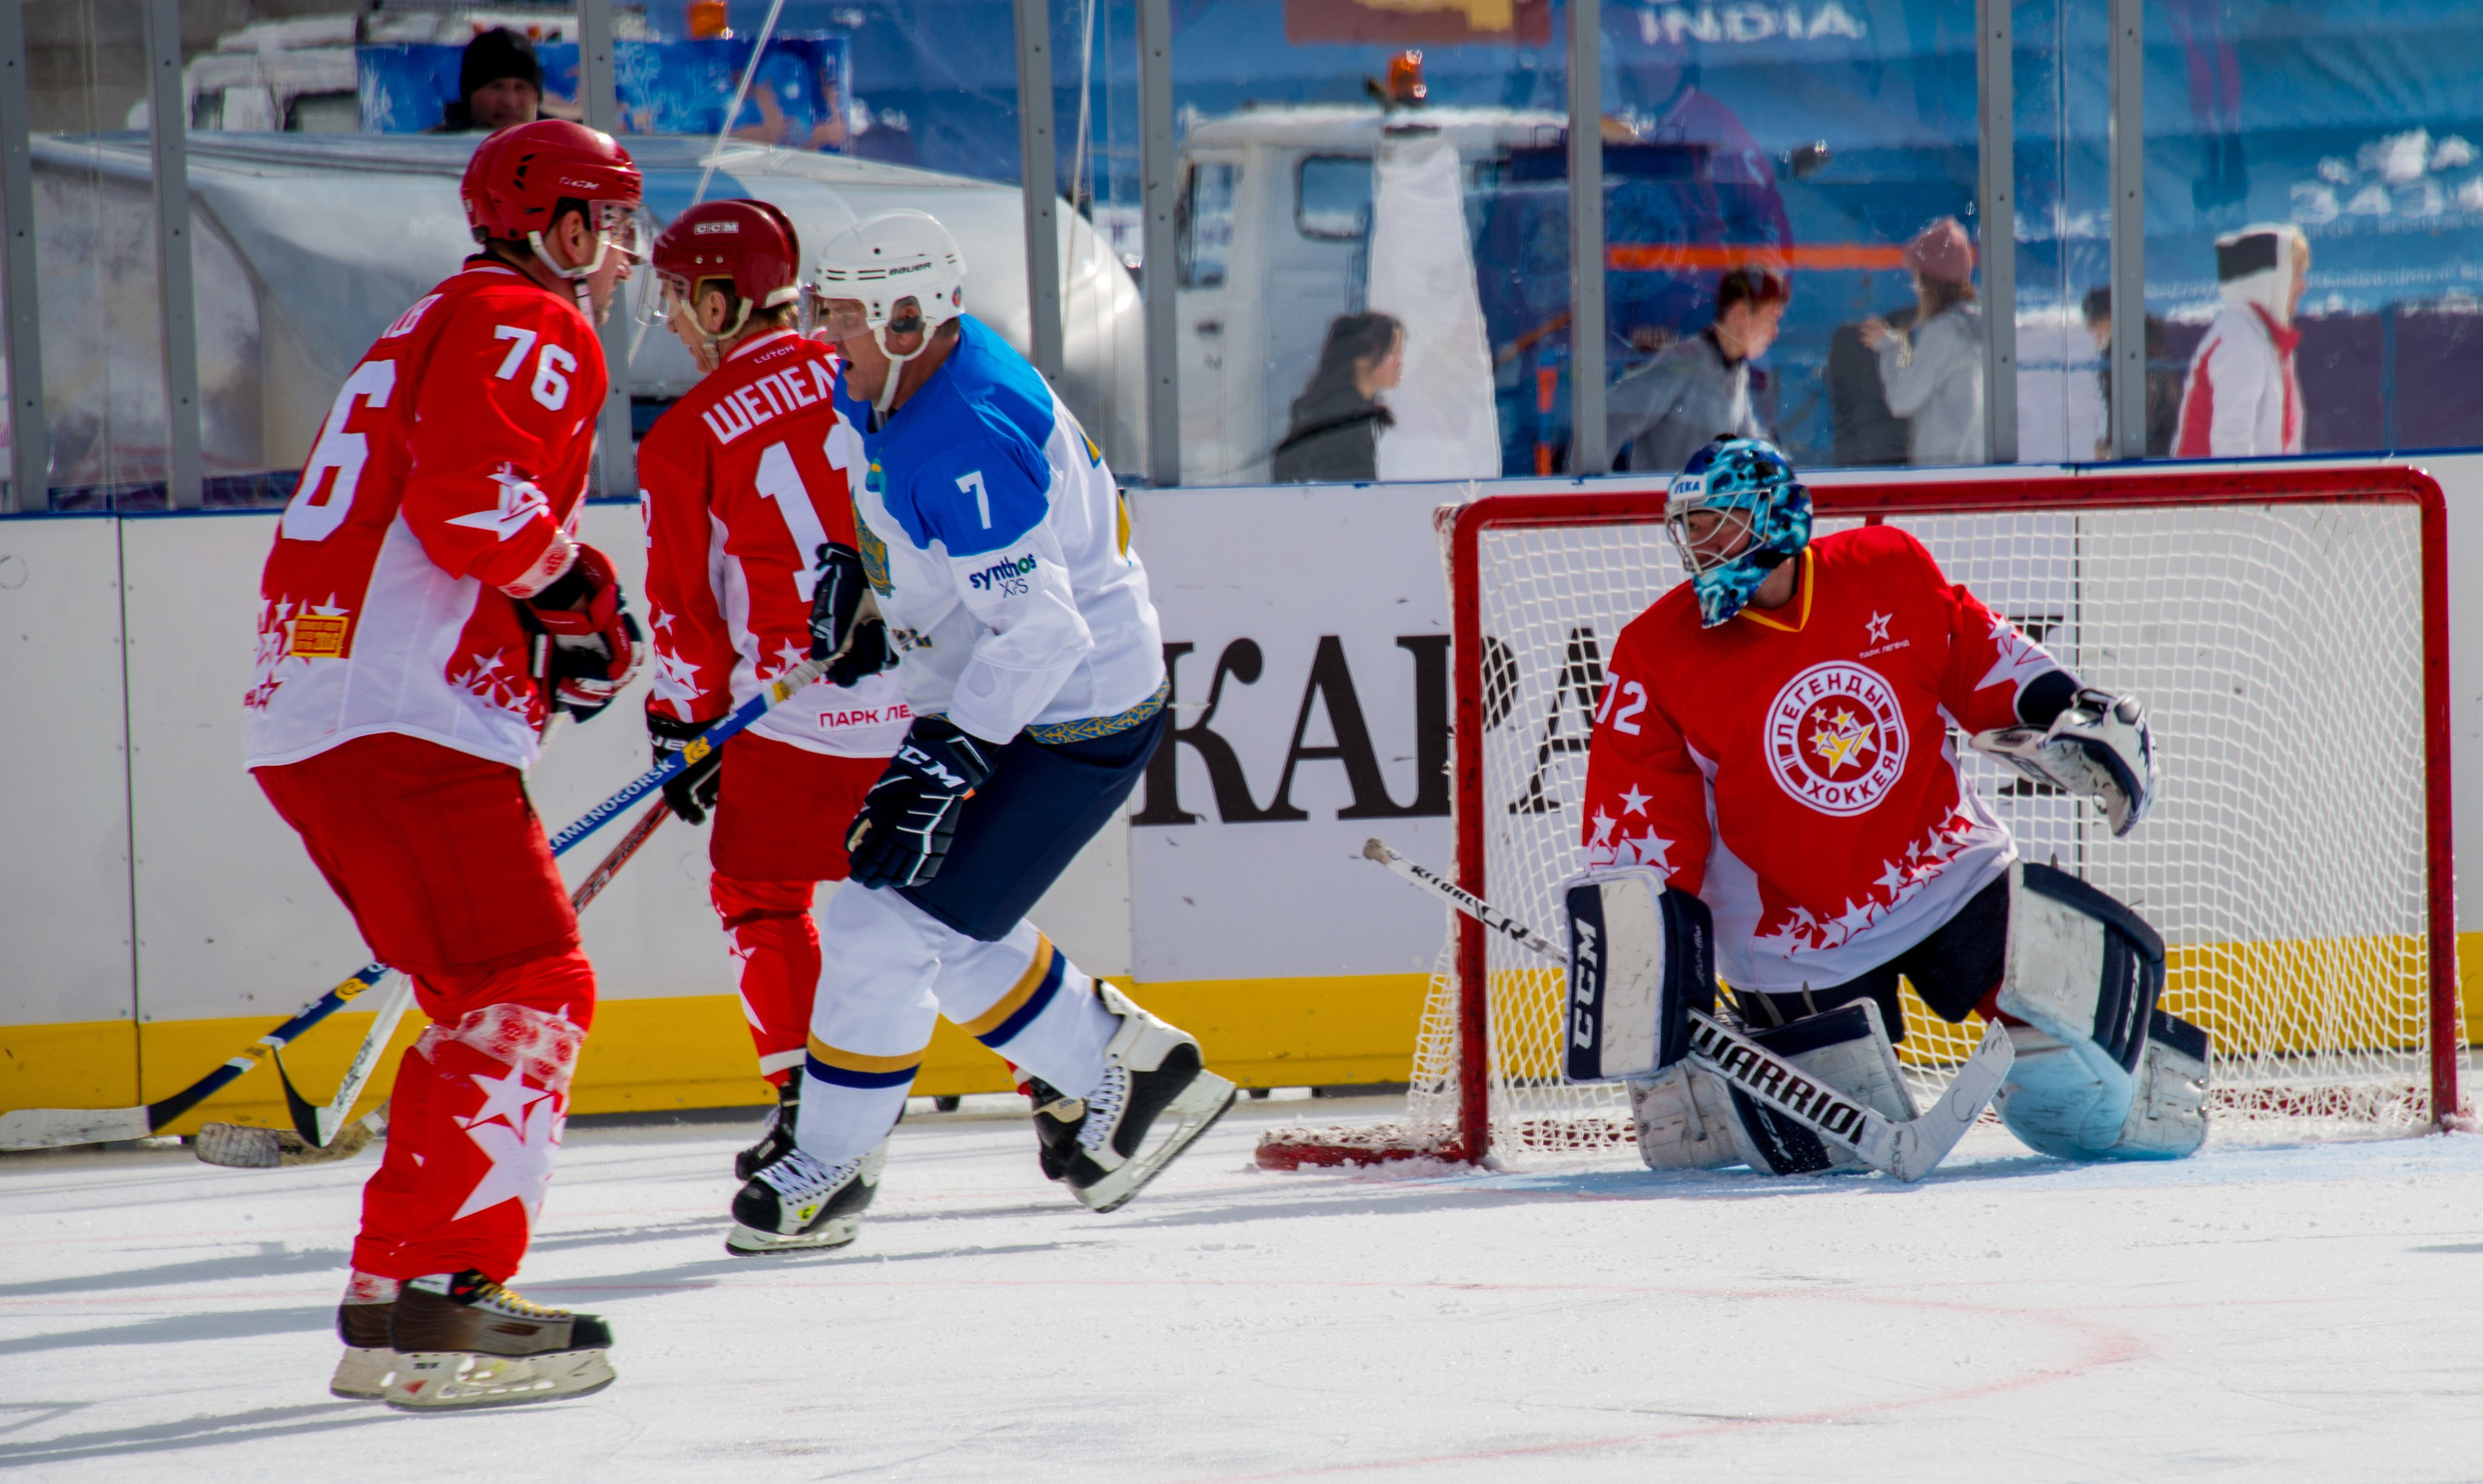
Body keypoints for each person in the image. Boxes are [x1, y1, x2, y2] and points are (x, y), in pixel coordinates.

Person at [724, 209, 1236, 1254]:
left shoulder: (964, 432)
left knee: (880, 923)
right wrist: (869, 584)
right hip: (1014, 694)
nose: (828, 335)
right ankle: (1126, 1071)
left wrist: (947, 756)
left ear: (909, 319)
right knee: (937, 926)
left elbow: (1042, 631)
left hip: (1069, 714)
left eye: (846, 318)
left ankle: (832, 1166)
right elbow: (910, 511)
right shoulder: (894, 381)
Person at [243, 120, 647, 1406]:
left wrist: (540, 632)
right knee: (532, 983)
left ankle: (392, 1298)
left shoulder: (426, 323)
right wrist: (577, 594)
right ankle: (442, 1296)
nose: (625, 258)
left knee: (477, 999)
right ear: (564, 229)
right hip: (400, 717)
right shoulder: (531, 317)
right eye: (614, 226)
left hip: (317, 714)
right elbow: (472, 501)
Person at [1580, 437, 2203, 1174]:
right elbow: (1643, 823)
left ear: (1775, 515)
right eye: (1690, 526)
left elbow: (1982, 660)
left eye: (1720, 520)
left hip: (1945, 871)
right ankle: (1715, 1099)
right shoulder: (1656, 651)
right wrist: (1647, 974)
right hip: (1794, 937)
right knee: (1835, 1152)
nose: (1701, 542)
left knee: (2080, 1075)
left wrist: (2066, 711)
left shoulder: (1886, 567)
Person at [636, 200, 910, 1183]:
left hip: (797, 720)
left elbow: (685, 610)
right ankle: (1059, 1084)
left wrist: (684, 725)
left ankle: (806, 1109)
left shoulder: (684, 437)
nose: (672, 319)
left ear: (720, 303)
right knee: (946, 906)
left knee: (759, 894)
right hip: (919, 699)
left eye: (678, 297)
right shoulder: (866, 372)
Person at [1603, 267, 1786, 474]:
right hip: (1668, 494)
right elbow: (1611, 415)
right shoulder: (1686, 362)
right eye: (1771, 320)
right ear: (1740, 313)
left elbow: (1748, 441)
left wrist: (1778, 469)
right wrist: (1599, 488)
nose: (1775, 333)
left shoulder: (1735, 372)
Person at [2175, 224, 2308, 458]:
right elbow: (2232, 452)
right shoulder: (2239, 338)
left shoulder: (2264, 339)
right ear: (2271, 279)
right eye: (2295, 274)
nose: (2302, 286)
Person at [1860, 218, 1985, 466]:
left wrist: (1892, 348)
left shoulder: (1944, 333)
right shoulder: (1978, 324)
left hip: (1942, 474)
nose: (1915, 289)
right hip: (1970, 469)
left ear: (1929, 282)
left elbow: (1902, 399)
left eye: (1916, 278)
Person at [1272, 311, 1403, 483]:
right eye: (1392, 352)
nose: (1399, 362)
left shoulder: (1349, 412)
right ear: (1362, 358)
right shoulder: (1344, 421)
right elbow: (1355, 491)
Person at [2080, 286, 2182, 459]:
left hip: (2152, 453)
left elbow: (2140, 415)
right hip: (2162, 448)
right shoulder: (2144, 343)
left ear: (2108, 319)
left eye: (2094, 325)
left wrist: (2112, 452)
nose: (2095, 335)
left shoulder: (2132, 352)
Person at [433, 27, 543, 135]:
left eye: (521, 87)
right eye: (497, 87)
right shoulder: (434, 144)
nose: (509, 102)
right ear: (469, 96)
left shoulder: (552, 143)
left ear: (537, 97)